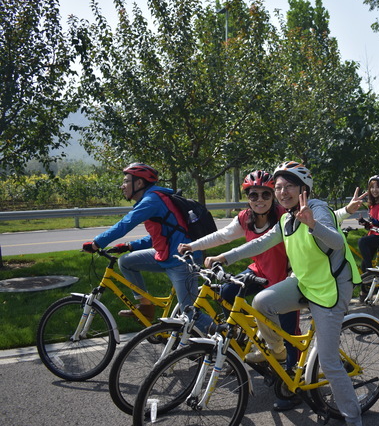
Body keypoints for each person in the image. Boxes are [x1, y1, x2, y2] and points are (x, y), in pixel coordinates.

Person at [204, 161, 364, 426]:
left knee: (330, 362)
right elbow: (260, 242)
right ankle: (277, 351)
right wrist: (224, 256)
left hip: (330, 288)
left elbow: (336, 241)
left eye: (289, 186)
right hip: (305, 282)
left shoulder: (316, 209)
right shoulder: (288, 218)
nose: (282, 191)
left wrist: (313, 224)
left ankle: (353, 418)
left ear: (304, 188)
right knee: (262, 301)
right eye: (278, 187)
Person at [177, 170, 304, 411]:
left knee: (290, 332)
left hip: (284, 277)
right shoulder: (245, 218)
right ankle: (252, 333)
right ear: (247, 197)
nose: (259, 199)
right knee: (226, 292)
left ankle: (291, 385)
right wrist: (192, 246)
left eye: (266, 194)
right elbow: (222, 236)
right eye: (253, 194)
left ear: (273, 196)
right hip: (258, 270)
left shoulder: (285, 217)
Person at [82, 163, 200, 320]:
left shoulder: (152, 200)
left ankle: (223, 340)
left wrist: (96, 243)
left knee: (191, 317)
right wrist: (131, 246)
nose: (122, 186)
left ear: (139, 183)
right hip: (168, 253)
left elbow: (125, 224)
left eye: (126, 181)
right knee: (126, 262)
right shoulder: (154, 198)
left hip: (182, 261)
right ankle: (145, 306)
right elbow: (163, 235)